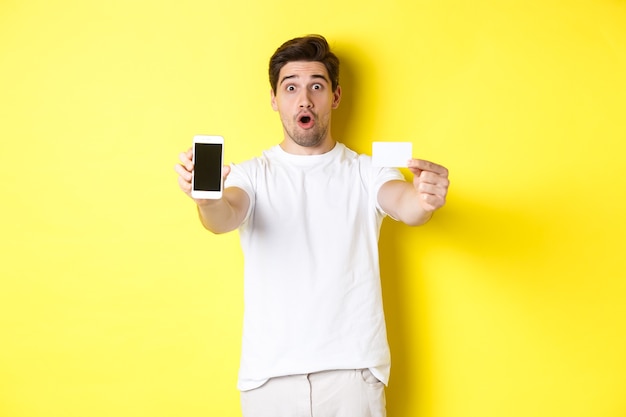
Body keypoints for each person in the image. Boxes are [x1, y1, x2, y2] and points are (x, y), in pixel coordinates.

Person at [175, 34, 449, 417]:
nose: (304, 99)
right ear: (274, 99)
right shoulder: (251, 176)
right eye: (291, 88)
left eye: (316, 86)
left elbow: (405, 204)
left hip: (352, 375)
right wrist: (207, 200)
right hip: (269, 380)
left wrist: (424, 199)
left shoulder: (367, 171)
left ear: (334, 97)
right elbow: (224, 217)